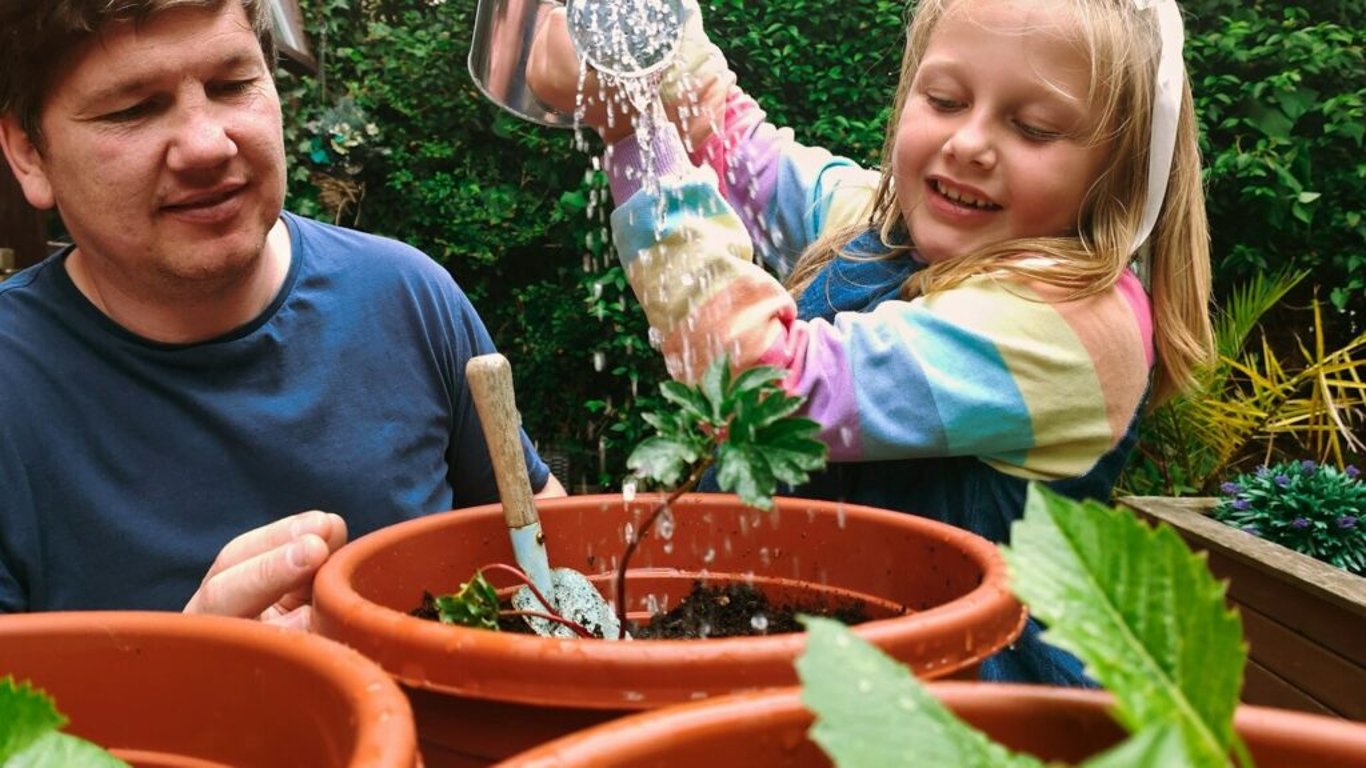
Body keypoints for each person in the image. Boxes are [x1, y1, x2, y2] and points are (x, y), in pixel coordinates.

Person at [529, 0, 1213, 685]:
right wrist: (652, 39)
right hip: (813, 661)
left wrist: (633, 134)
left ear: (1116, 175)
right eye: (944, 100)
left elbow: (764, 393)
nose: (969, 143)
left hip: (948, 710)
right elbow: (745, 156)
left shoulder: (1075, 326)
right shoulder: (892, 222)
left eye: (1032, 128)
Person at [0, 0, 564, 629]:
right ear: (28, 152)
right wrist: (191, 683)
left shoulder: (408, 297)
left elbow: (545, 550)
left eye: (232, 84)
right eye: (133, 109)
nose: (207, 145)